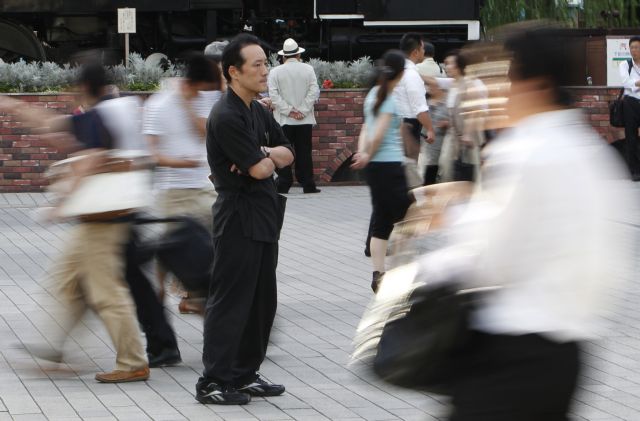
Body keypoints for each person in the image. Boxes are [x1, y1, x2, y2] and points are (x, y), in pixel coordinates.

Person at [419, 27, 632, 420]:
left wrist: (444, 234)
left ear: (535, 84)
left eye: (501, 79)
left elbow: (490, 258)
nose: (492, 92)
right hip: (566, 353)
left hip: (510, 354)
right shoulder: (589, 151)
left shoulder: (525, 151)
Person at [0, 64, 150, 383]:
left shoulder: (99, 116)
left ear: (83, 87)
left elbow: (93, 158)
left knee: (105, 292)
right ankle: (51, 347)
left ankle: (133, 362)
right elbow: (53, 123)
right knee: (66, 282)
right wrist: (12, 106)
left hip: (103, 219)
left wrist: (63, 201)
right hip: (100, 217)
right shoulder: (109, 111)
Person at [196, 33, 294, 405]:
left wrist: (264, 152)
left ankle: (244, 373)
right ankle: (214, 380)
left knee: (261, 301)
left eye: (266, 63)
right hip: (237, 217)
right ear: (233, 72)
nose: (265, 70)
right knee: (231, 299)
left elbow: (287, 153)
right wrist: (265, 160)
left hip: (265, 215)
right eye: (257, 65)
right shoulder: (226, 115)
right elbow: (258, 170)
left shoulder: (258, 110)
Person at [143, 52, 222, 314]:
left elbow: (206, 134)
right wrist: (181, 163)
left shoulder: (200, 99)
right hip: (171, 191)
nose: (202, 94)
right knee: (171, 247)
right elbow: (153, 155)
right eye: (199, 89)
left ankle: (194, 295)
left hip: (200, 187)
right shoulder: (158, 104)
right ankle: (158, 293)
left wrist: (188, 105)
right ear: (190, 82)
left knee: (219, 229)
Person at [351, 50, 412, 293]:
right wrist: (367, 153)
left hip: (376, 168)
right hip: (389, 166)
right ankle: (401, 271)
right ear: (402, 73)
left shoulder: (373, 94)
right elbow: (378, 132)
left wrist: (363, 152)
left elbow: (366, 128)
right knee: (409, 219)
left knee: (382, 221)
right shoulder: (387, 98)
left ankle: (379, 275)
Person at [268, 38, 321, 194]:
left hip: (284, 120)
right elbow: (314, 91)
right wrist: (302, 110)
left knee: (283, 150)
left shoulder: (275, 72)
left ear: (283, 56)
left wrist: (289, 111)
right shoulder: (308, 69)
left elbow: (274, 96)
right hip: (304, 119)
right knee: (304, 151)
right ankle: (308, 184)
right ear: (298, 55)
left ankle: (284, 183)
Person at [394, 32, 436, 188]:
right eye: (422, 48)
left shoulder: (398, 72)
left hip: (398, 124)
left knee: (402, 171)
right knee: (409, 174)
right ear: (415, 52)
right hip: (409, 126)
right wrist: (430, 129)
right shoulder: (411, 75)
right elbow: (419, 107)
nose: (424, 52)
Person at [620, 36, 640, 181]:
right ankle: (634, 170)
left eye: (637, 47)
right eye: (632, 47)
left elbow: (631, 83)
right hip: (630, 104)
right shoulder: (625, 64)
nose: (634, 50)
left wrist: (635, 83)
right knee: (631, 137)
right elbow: (626, 83)